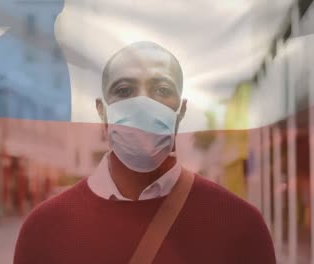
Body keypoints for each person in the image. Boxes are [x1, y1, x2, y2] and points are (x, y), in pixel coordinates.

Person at [14, 41, 276, 264]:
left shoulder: (239, 225)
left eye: (162, 90)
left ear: (181, 111)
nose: (142, 105)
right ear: (101, 111)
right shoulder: (44, 229)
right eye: (124, 91)